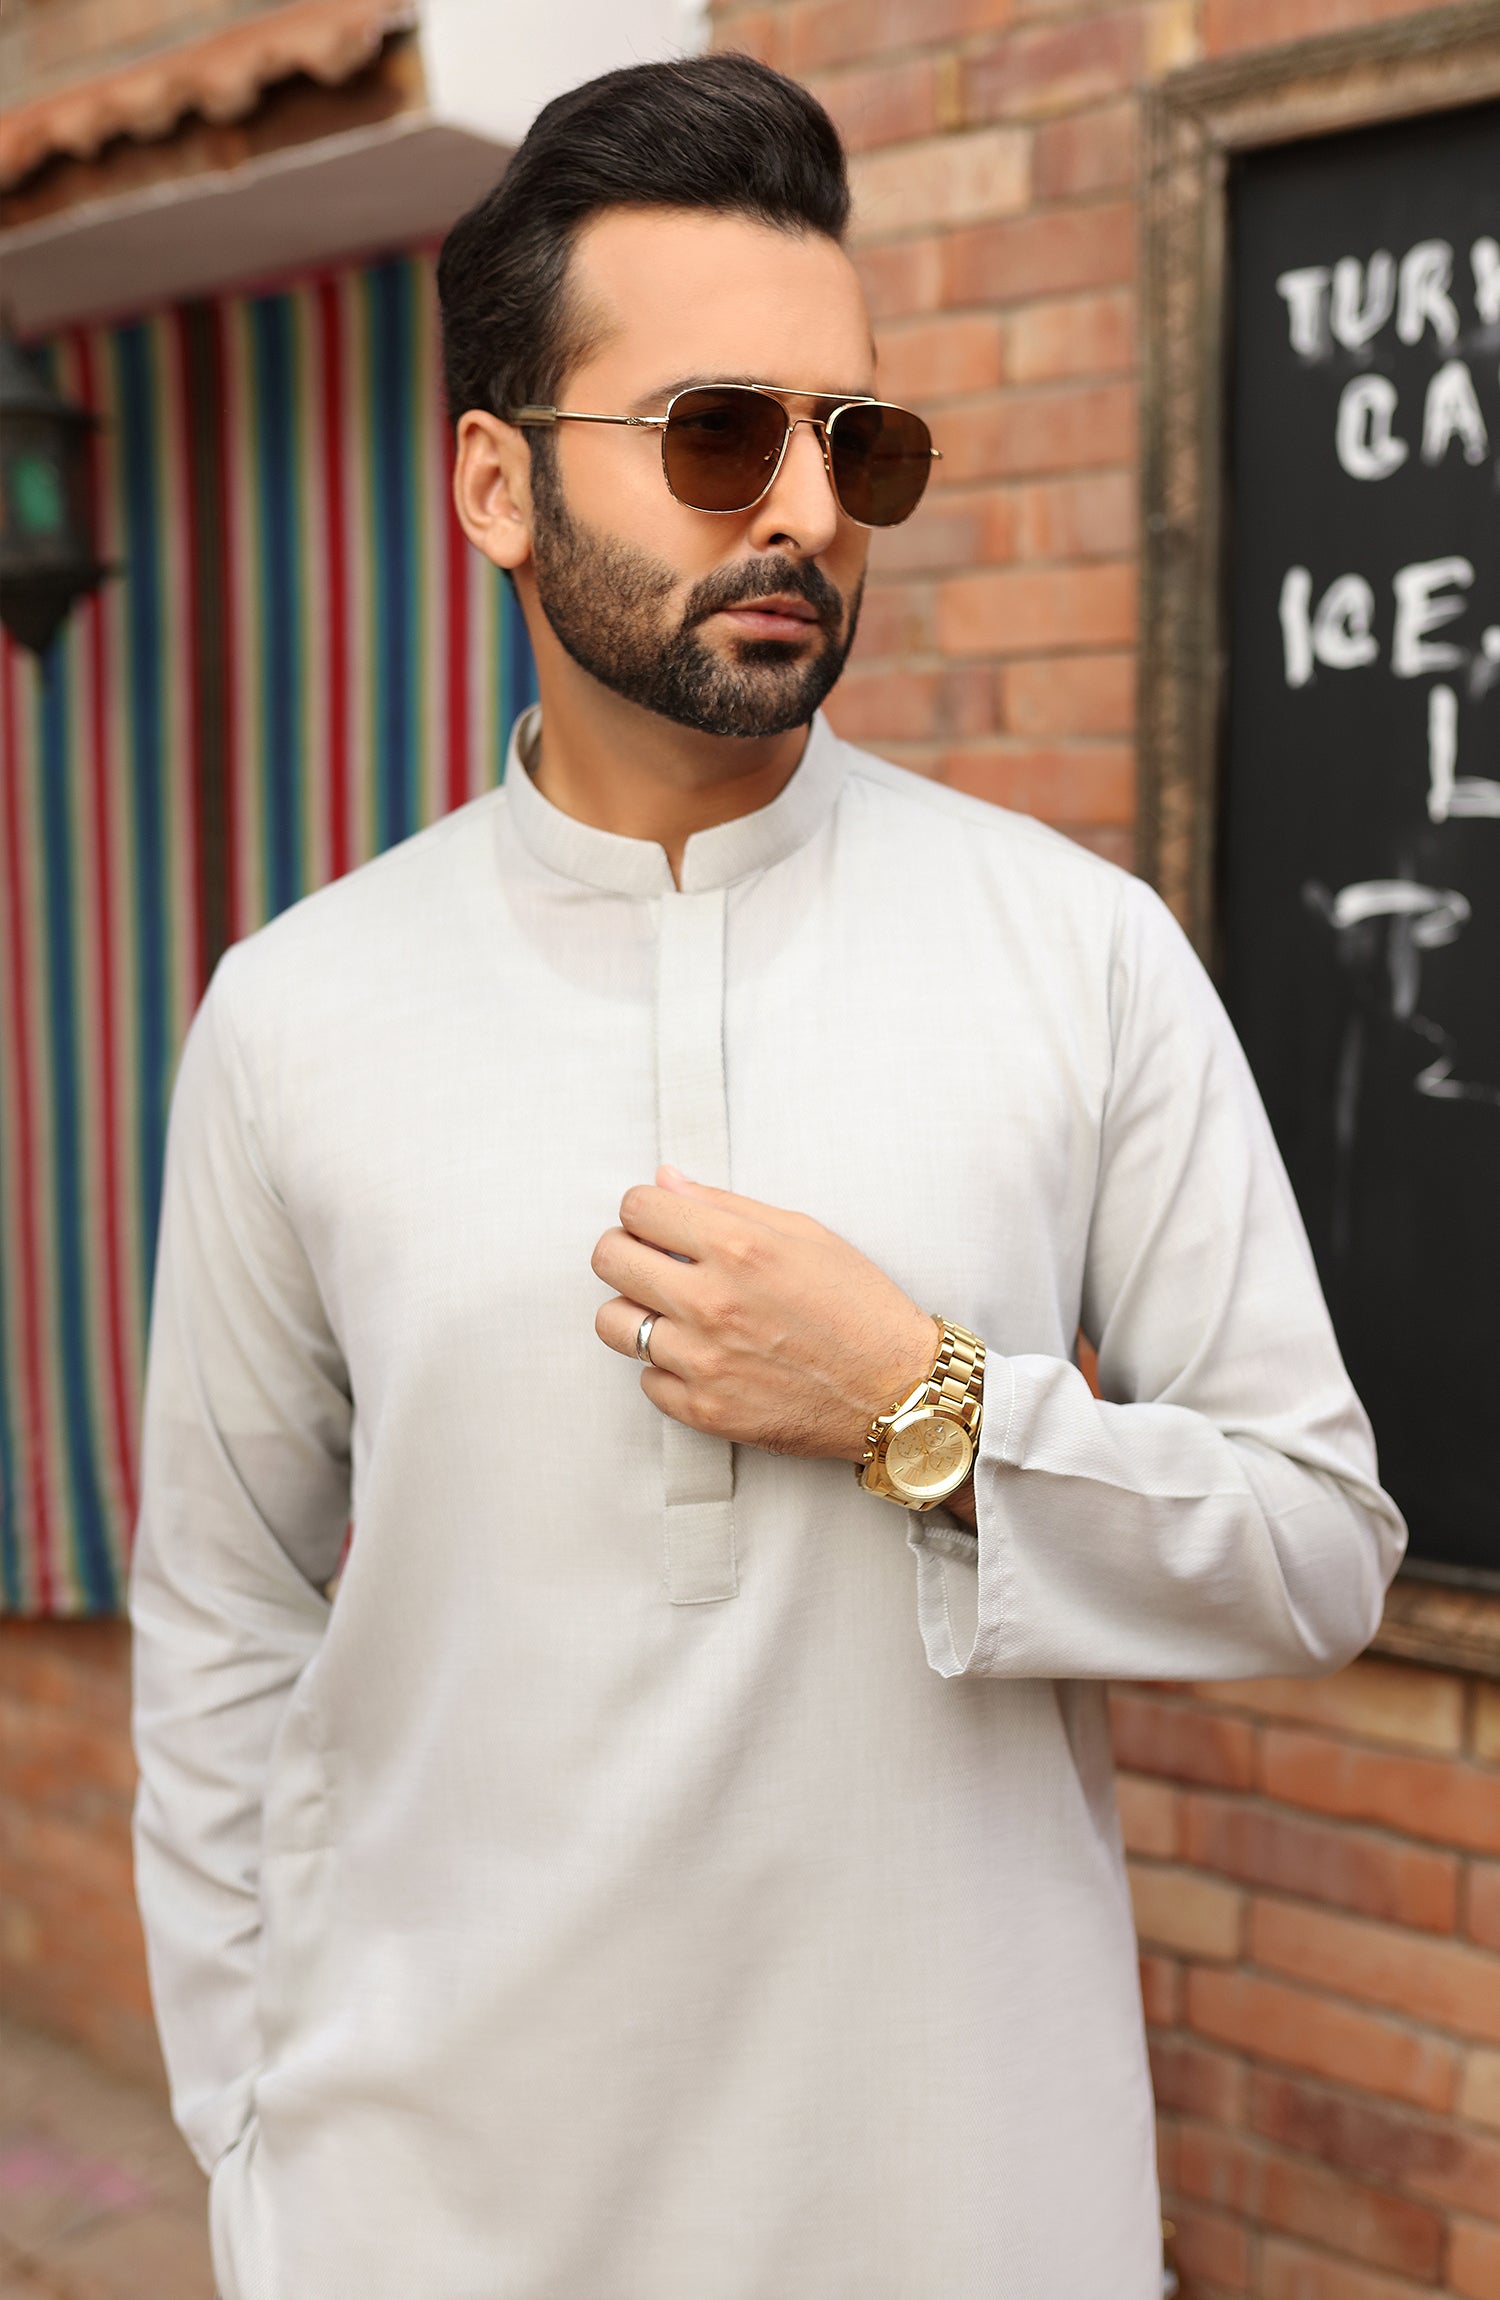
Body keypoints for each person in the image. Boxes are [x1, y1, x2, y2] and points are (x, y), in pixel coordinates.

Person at [129, 52, 1405, 2300]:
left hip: (964, 2201)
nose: (807, 508)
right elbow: (226, 1620)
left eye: (858, 442)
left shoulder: (1075, 951)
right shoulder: (299, 1012)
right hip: (425, 2217)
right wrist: (252, 2145)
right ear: (499, 484)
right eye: (721, 434)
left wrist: (927, 1407)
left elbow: (1316, 1547)